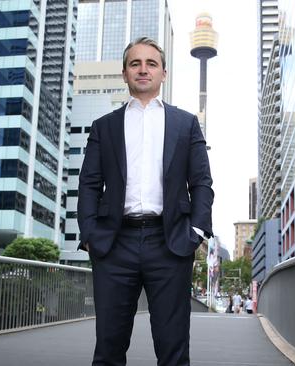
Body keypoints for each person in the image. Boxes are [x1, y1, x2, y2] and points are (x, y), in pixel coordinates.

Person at [77, 37, 214, 366]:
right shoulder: (104, 127)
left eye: (151, 63)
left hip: (169, 243)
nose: (143, 69)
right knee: (108, 347)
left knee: (173, 347)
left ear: (163, 73)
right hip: (114, 244)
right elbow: (89, 185)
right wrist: (91, 235)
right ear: (124, 73)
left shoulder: (185, 123)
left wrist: (195, 230)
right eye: (135, 63)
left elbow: (201, 182)